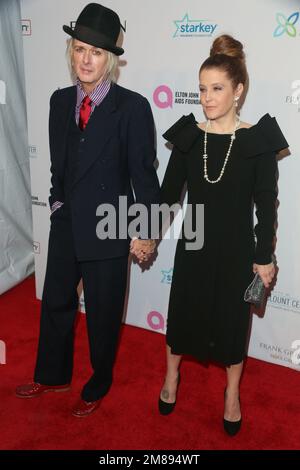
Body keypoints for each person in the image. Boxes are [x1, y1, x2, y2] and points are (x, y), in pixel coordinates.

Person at [16, 3, 159, 417]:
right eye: (79, 49)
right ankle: (53, 375)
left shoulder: (131, 107)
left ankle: (98, 382)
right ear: (71, 50)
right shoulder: (60, 101)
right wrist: (57, 202)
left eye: (95, 52)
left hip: (109, 226)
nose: (85, 59)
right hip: (66, 222)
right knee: (56, 301)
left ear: (110, 59)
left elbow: (143, 177)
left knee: (102, 312)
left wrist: (145, 230)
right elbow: (58, 163)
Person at [158, 35, 288, 435]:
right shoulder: (188, 137)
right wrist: (144, 234)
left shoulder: (258, 142)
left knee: (233, 326)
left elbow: (266, 206)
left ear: (238, 91)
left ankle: (232, 394)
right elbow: (166, 196)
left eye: (217, 89)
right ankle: (171, 378)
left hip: (236, 251)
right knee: (181, 317)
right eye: (202, 89)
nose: (207, 98)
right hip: (194, 245)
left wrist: (264, 256)